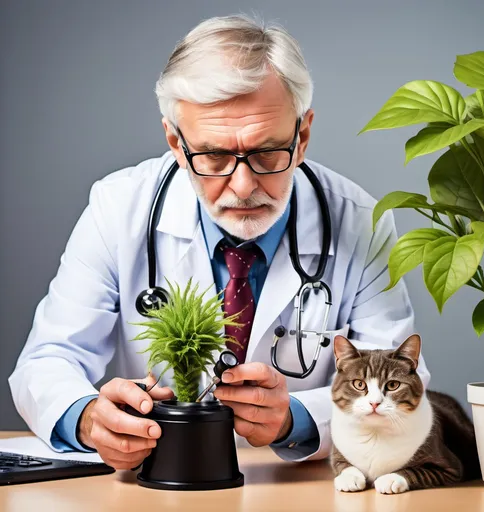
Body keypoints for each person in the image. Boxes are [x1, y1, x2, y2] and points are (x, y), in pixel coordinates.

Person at [9, 14, 430, 470]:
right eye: (213, 155)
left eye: (268, 151)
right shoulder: (118, 208)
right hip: (159, 483)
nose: (244, 185)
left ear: (303, 135)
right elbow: (46, 362)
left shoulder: (361, 221)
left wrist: (296, 419)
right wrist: (89, 417)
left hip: (300, 491)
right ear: (175, 140)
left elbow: (409, 381)